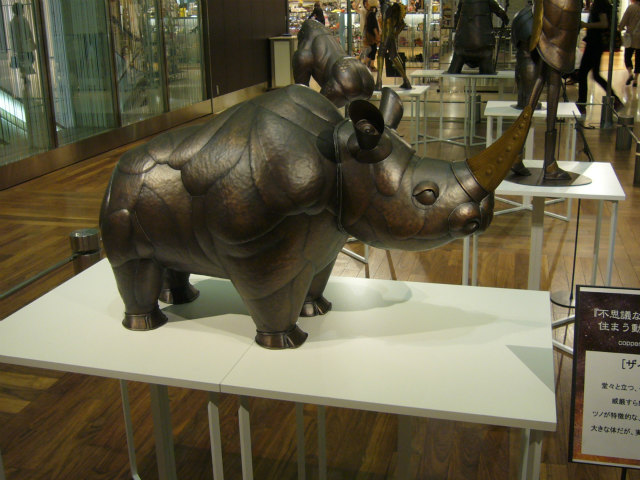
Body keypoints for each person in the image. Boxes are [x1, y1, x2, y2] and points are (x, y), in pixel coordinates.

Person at [576, 0, 623, 113]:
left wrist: (586, 25)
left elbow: (604, 23)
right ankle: (615, 99)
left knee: (583, 73)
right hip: (596, 43)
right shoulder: (603, 4)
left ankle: (582, 102)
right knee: (595, 75)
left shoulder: (600, 4)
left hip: (595, 43)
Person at [619, 0, 640, 86]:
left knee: (627, 56)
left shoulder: (631, 8)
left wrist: (620, 28)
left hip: (630, 37)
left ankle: (630, 73)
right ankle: (636, 80)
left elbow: (623, 21)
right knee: (638, 58)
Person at [362, 0, 380, 71]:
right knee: (373, 49)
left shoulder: (369, 13)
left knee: (371, 49)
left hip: (368, 34)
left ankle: (367, 64)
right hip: (371, 35)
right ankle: (369, 65)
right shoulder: (371, 14)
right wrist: (377, 35)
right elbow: (374, 26)